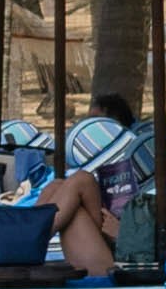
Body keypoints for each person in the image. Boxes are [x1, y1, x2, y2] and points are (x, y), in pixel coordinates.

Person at [46, 88, 151, 277]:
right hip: (107, 244)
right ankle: (26, 239)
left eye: (95, 123)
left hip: (121, 262)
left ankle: (28, 241)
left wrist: (122, 234)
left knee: (81, 181)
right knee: (58, 185)